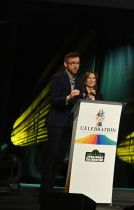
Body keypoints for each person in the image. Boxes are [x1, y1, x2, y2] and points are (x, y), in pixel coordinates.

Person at [40, 52, 82, 199]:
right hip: (56, 121)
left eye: (78, 63)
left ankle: (50, 188)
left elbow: (78, 102)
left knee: (60, 157)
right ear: (66, 64)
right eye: (73, 63)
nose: (76, 65)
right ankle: (44, 190)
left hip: (70, 123)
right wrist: (68, 97)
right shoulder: (57, 78)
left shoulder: (79, 81)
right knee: (51, 155)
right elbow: (53, 100)